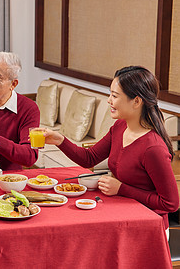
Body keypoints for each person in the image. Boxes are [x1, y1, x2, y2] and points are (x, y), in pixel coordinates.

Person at [40, 66, 179, 234]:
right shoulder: (120, 127)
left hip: (148, 228)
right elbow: (89, 158)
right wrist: (59, 140)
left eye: (114, 96)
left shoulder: (153, 148)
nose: (109, 100)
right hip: (123, 215)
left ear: (136, 101)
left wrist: (121, 188)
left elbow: (170, 203)